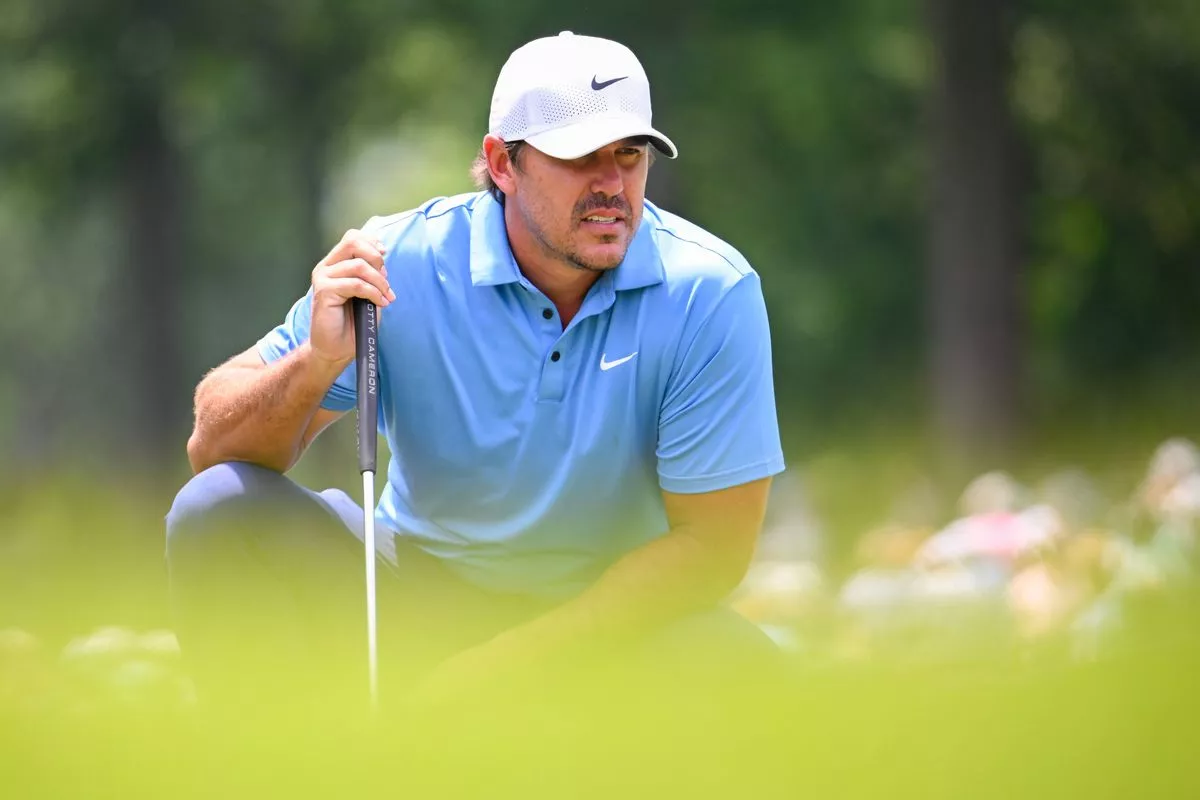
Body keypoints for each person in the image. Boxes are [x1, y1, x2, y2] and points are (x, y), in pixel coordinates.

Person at [166, 31, 786, 714]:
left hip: (610, 617)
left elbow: (712, 548)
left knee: (743, 674)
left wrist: (505, 670)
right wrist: (319, 362)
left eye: (629, 155)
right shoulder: (396, 260)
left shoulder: (709, 290)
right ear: (502, 163)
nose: (611, 183)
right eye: (580, 156)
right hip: (419, 591)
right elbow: (212, 450)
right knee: (217, 507)